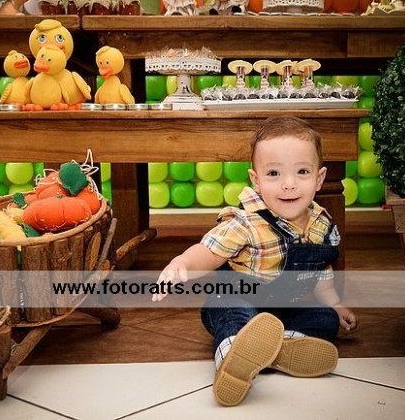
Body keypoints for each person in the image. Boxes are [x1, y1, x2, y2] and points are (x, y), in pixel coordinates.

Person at [153, 116, 357, 406]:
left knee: (324, 319)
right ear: (256, 179)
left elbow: (320, 270)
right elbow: (209, 252)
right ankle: (234, 356)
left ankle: (278, 346)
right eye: (274, 173)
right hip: (240, 298)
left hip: (285, 310)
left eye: (302, 172)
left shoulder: (321, 225)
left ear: (319, 178)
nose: (289, 184)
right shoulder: (246, 222)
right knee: (230, 309)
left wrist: (335, 304)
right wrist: (183, 263)